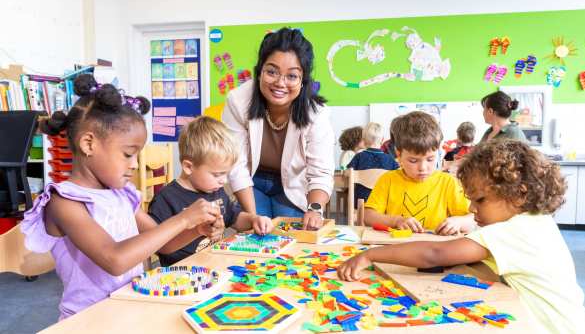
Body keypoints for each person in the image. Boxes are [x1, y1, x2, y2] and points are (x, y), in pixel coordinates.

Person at [338, 139, 585, 334]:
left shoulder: (514, 230)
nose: (472, 209)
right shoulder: (535, 222)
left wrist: (371, 254)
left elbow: (435, 253)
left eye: (480, 200)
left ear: (519, 194)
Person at [20, 75, 215, 320]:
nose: (135, 165)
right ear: (89, 144)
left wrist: (196, 230)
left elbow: (161, 244)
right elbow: (114, 259)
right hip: (88, 320)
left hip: (129, 308)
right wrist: (183, 220)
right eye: (127, 154)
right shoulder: (64, 202)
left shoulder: (121, 195)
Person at [222, 27, 334, 229]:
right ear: (259, 71)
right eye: (272, 72)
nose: (280, 83)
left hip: (292, 184)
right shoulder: (238, 101)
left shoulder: (316, 113)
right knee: (256, 236)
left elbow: (320, 172)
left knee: (291, 234)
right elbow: (236, 165)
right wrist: (253, 218)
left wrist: (315, 209)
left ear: (303, 80)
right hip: (251, 181)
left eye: (291, 76)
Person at [148, 116, 274, 266]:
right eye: (217, 174)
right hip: (182, 275)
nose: (224, 181)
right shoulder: (165, 199)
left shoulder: (216, 191)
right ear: (188, 167)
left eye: (226, 173)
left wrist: (254, 219)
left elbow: (234, 218)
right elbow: (157, 246)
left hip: (215, 265)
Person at [362, 111, 474, 235]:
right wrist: (396, 221)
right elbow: (368, 216)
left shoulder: (447, 182)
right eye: (413, 160)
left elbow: (472, 220)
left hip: (434, 250)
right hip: (397, 248)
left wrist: (458, 222)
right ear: (398, 155)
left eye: (430, 159)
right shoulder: (388, 180)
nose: (423, 168)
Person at [346, 122, 399, 202]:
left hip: (361, 202)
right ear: (382, 140)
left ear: (363, 140)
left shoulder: (359, 157)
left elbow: (348, 173)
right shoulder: (390, 159)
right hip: (383, 202)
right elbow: (398, 175)